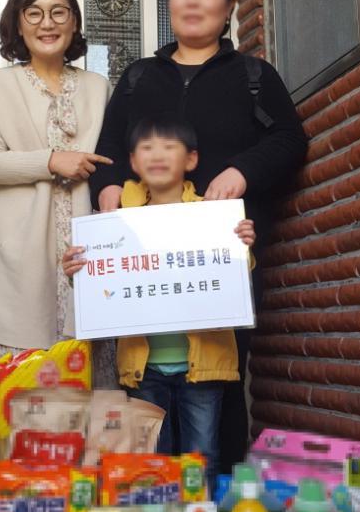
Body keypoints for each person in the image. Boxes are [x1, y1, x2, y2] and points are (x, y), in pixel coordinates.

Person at [89, 0, 308, 473]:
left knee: (220, 382)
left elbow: (289, 140)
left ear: (229, 6)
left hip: (221, 259)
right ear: (169, 3)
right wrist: (107, 189)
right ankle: (150, 497)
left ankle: (216, 500)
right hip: (144, 261)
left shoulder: (254, 76)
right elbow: (109, 148)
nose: (192, 0)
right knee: (144, 381)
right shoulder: (139, 78)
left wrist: (242, 172)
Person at [0, 0, 113, 437]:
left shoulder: (99, 88)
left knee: (87, 407)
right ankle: (12, 482)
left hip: (85, 262)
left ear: (74, 22)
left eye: (59, 12)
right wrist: (51, 160)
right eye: (35, 13)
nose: (48, 23)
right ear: (19, 23)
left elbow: (116, 166)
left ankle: (80, 484)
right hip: (18, 261)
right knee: (16, 404)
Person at [64, 116, 255, 487]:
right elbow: (101, 286)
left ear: (191, 159)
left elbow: (235, 278)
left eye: (169, 146)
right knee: (150, 461)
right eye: (147, 147)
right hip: (143, 366)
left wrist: (242, 245)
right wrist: (78, 271)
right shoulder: (115, 222)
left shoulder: (213, 215)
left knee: (202, 457)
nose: (158, 154)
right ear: (133, 162)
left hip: (204, 364)